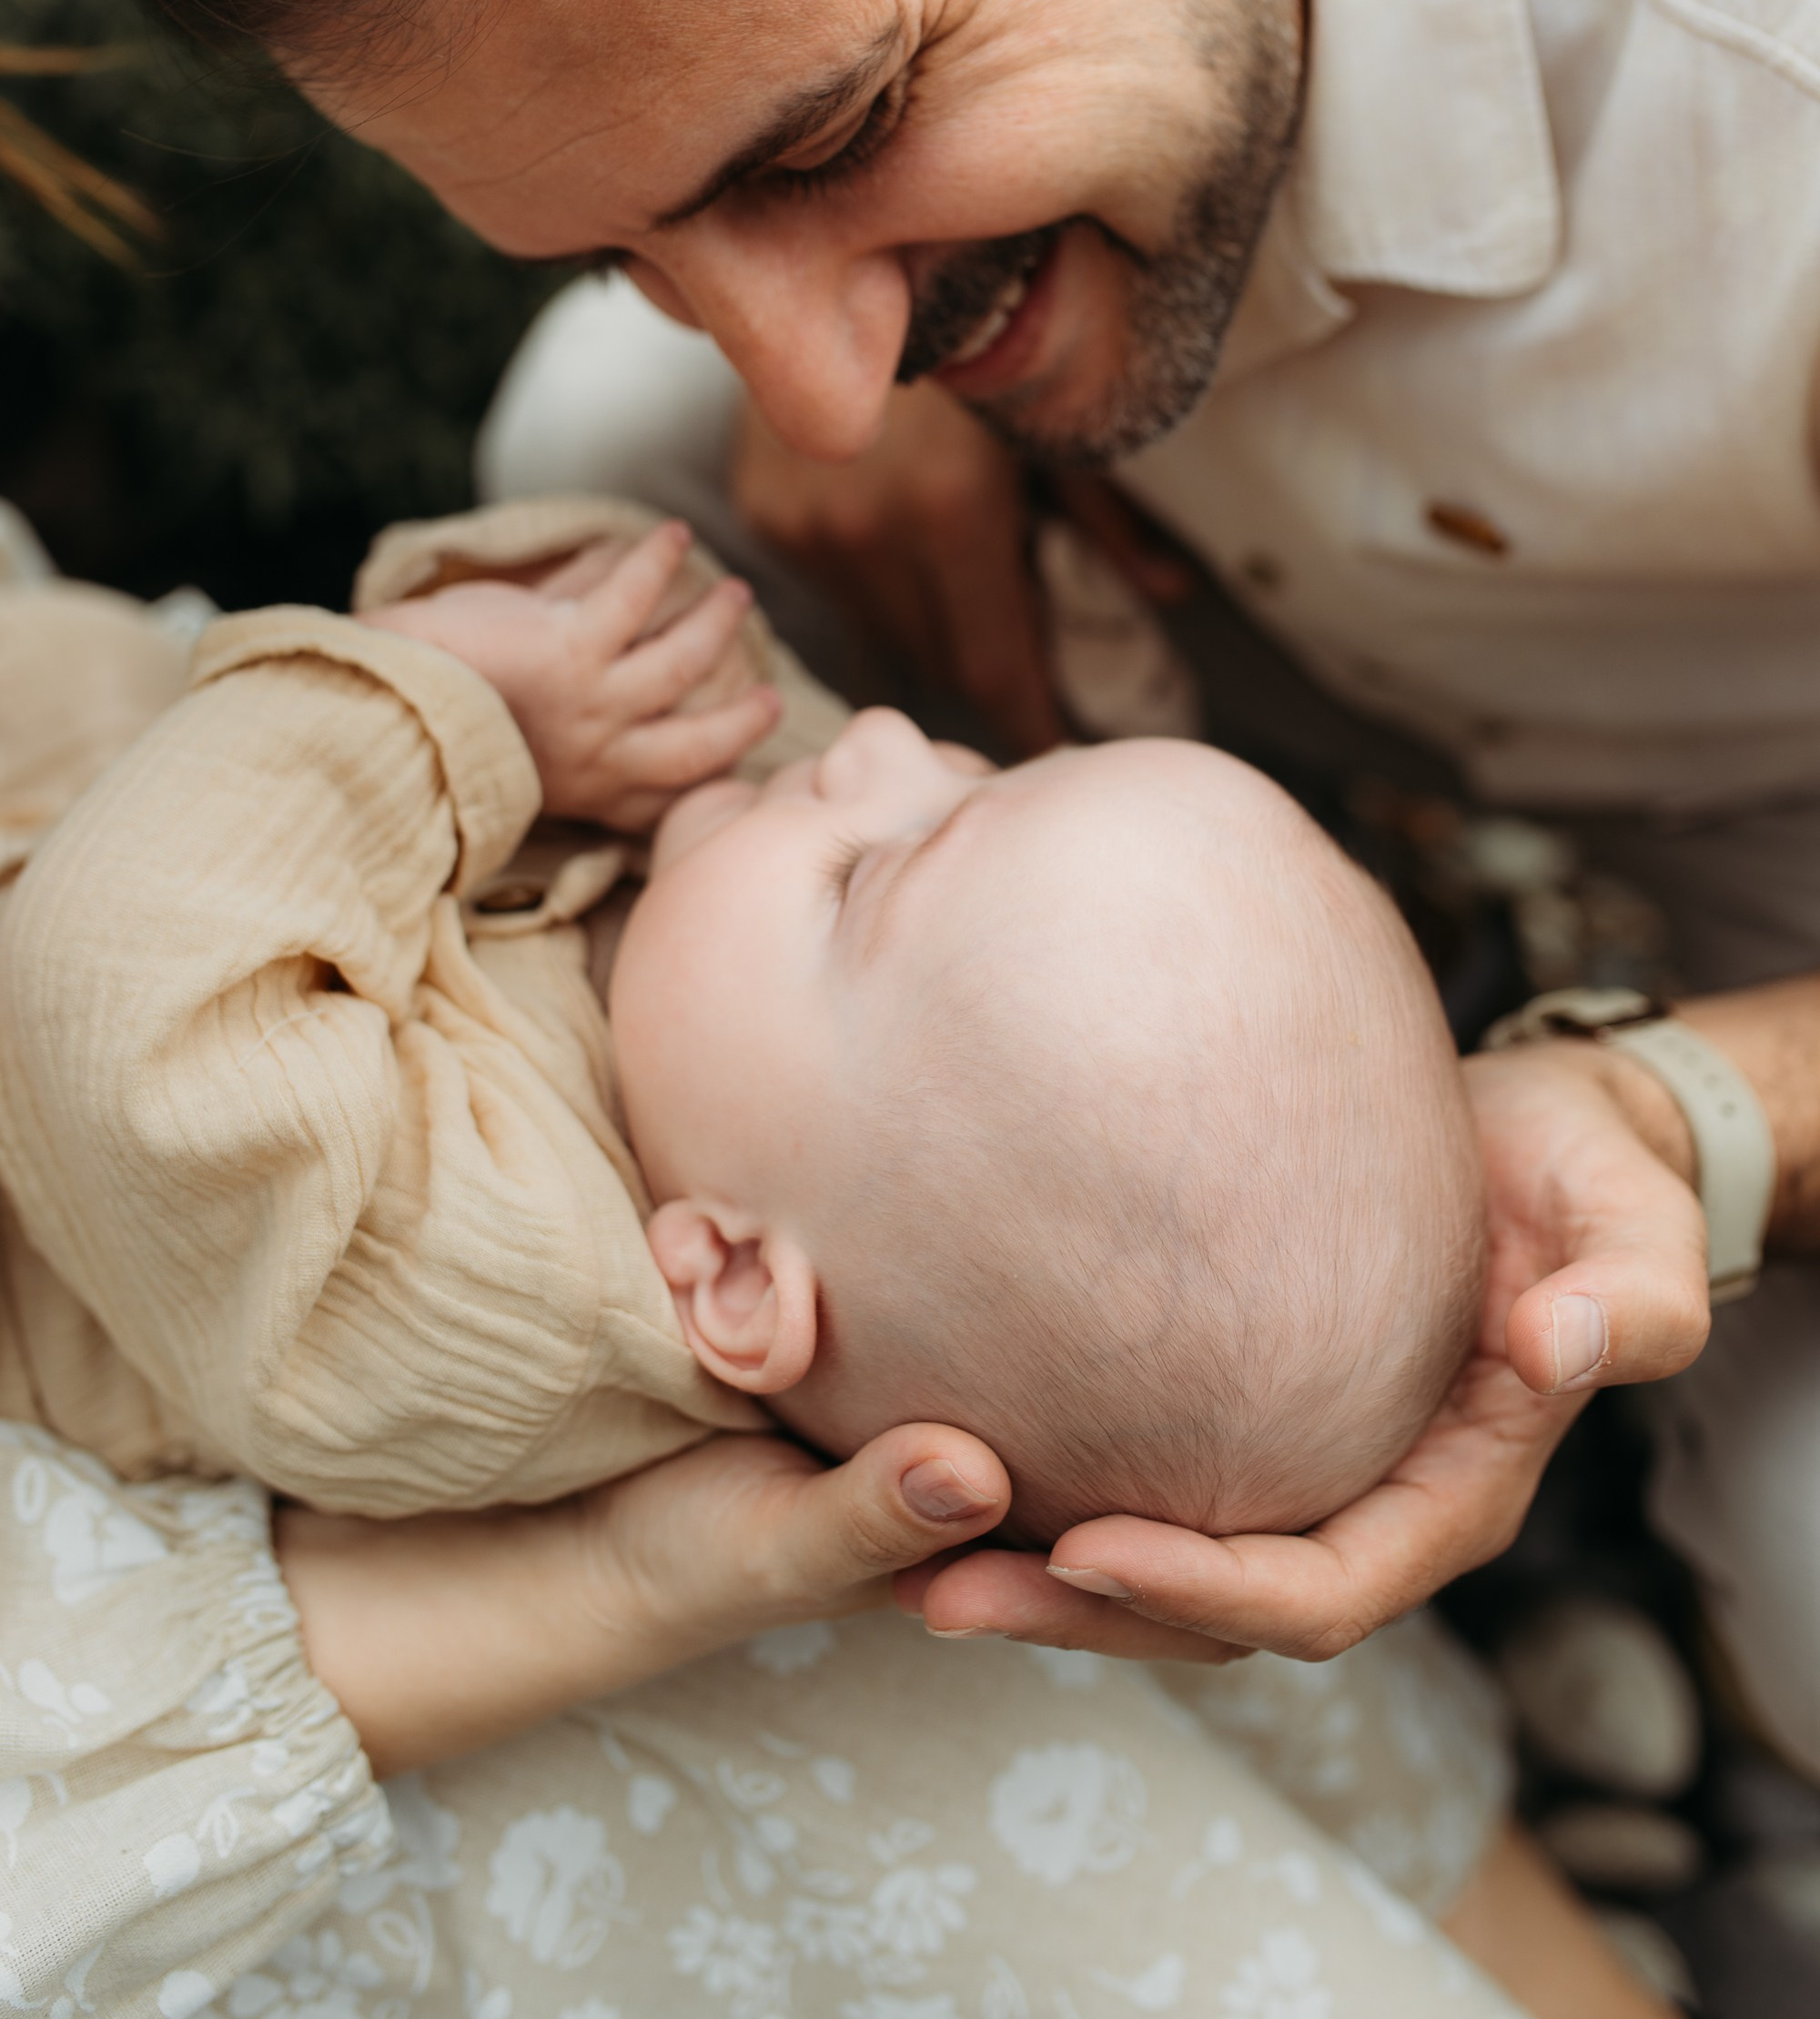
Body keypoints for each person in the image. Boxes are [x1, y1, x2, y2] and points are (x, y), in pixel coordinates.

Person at [56, 0, 1820, 1778]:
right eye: (628, 236)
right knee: (600, 455)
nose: (804, 389)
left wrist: (1684, 1111)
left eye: (817, 140)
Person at [0, 509, 1662, 2018]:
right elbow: (705, 711)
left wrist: (445, 710)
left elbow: (99, 990)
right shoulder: (767, 1088)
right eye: (976, 778)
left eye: (872, 868)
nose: (873, 743)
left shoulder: (469, 1282)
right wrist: (585, 652)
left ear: (731, 1286)